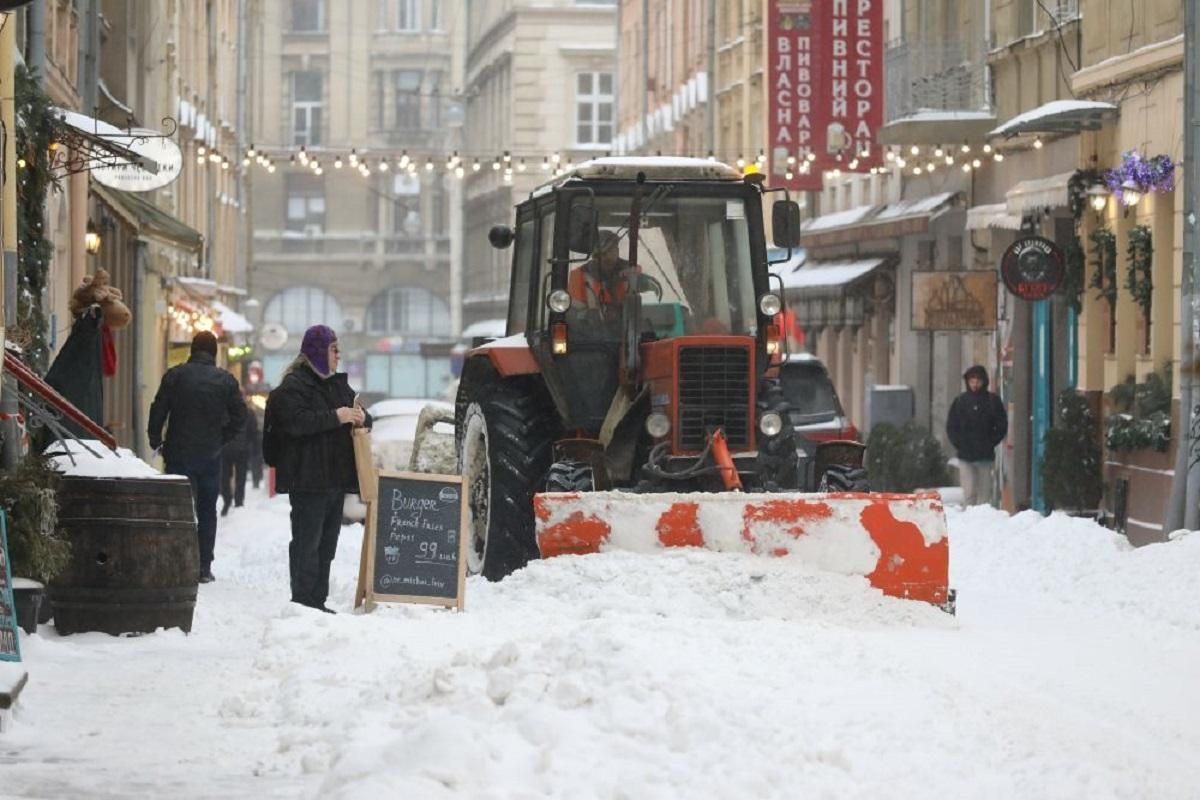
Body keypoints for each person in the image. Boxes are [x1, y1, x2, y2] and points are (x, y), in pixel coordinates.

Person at [264, 325, 370, 614]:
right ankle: (303, 601)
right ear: (318, 352)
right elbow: (296, 422)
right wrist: (336, 416)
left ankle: (318, 599)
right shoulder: (293, 387)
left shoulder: (337, 386)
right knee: (307, 542)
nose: (338, 356)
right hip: (307, 479)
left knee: (327, 544)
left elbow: (361, 414)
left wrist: (361, 417)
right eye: (334, 349)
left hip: (334, 478)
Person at [148, 331, 246, 582]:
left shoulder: (175, 375)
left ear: (192, 350)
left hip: (178, 452)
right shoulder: (226, 381)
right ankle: (203, 566)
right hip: (210, 454)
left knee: (177, 508)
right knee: (207, 510)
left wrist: (156, 440)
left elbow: (158, 409)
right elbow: (240, 416)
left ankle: (176, 562)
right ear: (215, 352)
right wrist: (222, 438)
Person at [946, 365, 1008, 507]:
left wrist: (991, 441)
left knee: (984, 494)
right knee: (969, 492)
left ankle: (982, 516)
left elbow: (1001, 425)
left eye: (978, 381)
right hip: (965, 455)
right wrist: (959, 443)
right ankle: (970, 516)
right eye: (972, 381)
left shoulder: (992, 401)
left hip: (985, 456)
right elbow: (952, 425)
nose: (975, 384)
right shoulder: (960, 401)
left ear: (984, 381)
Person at [567, 230, 660, 312]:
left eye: (612, 250)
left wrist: (638, 280)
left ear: (617, 250)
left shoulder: (629, 271)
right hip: (592, 325)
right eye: (603, 253)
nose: (608, 256)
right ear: (594, 256)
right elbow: (573, 312)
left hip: (627, 324)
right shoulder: (579, 276)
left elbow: (655, 289)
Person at [220, 394, 259, 515]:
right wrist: (252, 447)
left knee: (225, 477)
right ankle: (238, 502)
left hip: (225, 449)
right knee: (240, 477)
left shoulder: (224, 411)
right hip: (241, 450)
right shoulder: (248, 412)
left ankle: (227, 500)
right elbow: (253, 432)